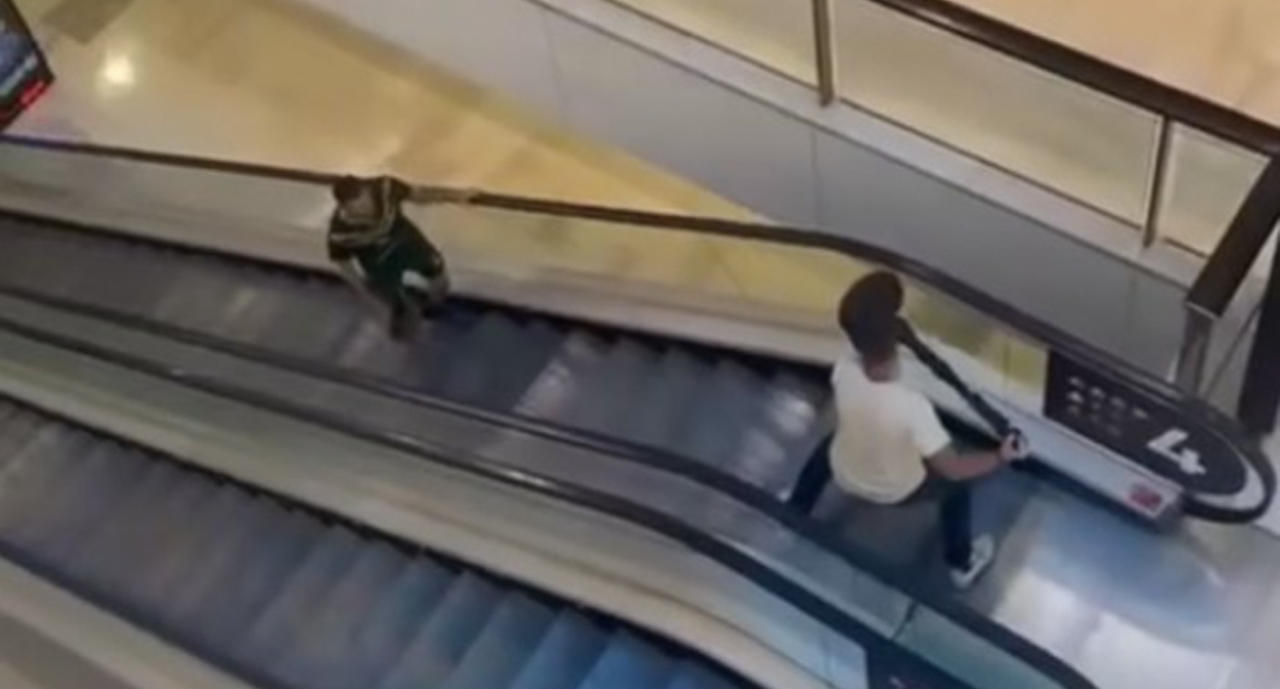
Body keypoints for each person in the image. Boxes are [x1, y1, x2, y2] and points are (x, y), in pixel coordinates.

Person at [788, 271, 1027, 588]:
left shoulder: (843, 370)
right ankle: (961, 564)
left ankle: (793, 512)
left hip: (843, 467)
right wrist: (1000, 456)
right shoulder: (912, 407)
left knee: (828, 447)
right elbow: (953, 469)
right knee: (956, 488)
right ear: (894, 337)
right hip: (894, 489)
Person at [328, 175, 453, 339]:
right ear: (344, 207)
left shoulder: (385, 188)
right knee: (400, 314)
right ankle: (404, 322)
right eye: (358, 208)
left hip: (408, 243)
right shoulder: (340, 233)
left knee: (440, 281)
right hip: (381, 263)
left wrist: (454, 195)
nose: (367, 209)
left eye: (366, 202)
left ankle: (432, 306)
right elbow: (344, 265)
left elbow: (419, 195)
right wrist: (365, 293)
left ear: (367, 190)